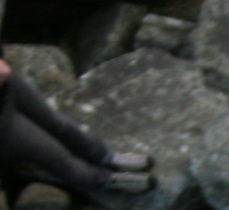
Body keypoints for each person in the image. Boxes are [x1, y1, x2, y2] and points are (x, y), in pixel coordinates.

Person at [0, 47, 153, 195]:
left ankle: (105, 156)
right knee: (53, 155)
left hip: (8, 84)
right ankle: (102, 181)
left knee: (57, 122)